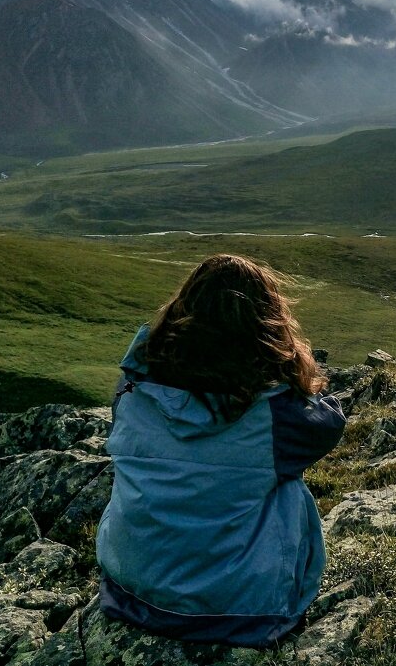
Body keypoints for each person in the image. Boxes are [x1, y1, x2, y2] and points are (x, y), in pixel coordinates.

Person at [95, 253, 346, 647]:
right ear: (265, 328)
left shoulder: (132, 391)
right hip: (240, 609)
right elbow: (329, 421)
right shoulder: (278, 417)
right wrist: (290, 369)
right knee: (286, 483)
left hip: (131, 587)